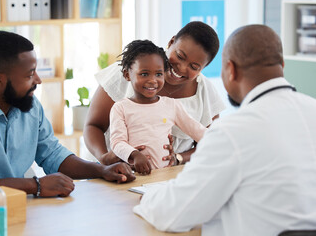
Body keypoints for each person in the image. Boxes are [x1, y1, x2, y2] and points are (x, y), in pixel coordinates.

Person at [133, 24, 316, 235]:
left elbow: (172, 214)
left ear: (231, 69)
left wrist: (151, 199)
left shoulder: (232, 132)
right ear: (282, 65)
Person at [0, 31, 135, 196]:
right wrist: (35, 185)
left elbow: (52, 154)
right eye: (29, 75)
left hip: (15, 210)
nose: (38, 80)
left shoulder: (27, 104)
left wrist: (102, 169)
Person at [84, 21, 226, 166]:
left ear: (203, 68)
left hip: (165, 177)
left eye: (194, 66)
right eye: (180, 56)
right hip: (114, 172)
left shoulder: (204, 92)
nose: (182, 68)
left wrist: (178, 158)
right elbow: (93, 126)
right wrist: (105, 159)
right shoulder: (129, 71)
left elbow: (210, 141)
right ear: (171, 42)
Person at [110, 40, 207, 174]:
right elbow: (117, 143)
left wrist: (224, 139)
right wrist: (135, 155)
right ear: (127, 75)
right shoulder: (120, 108)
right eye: (144, 74)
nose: (152, 80)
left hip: (164, 176)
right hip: (133, 175)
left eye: (159, 74)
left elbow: (198, 131)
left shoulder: (171, 105)